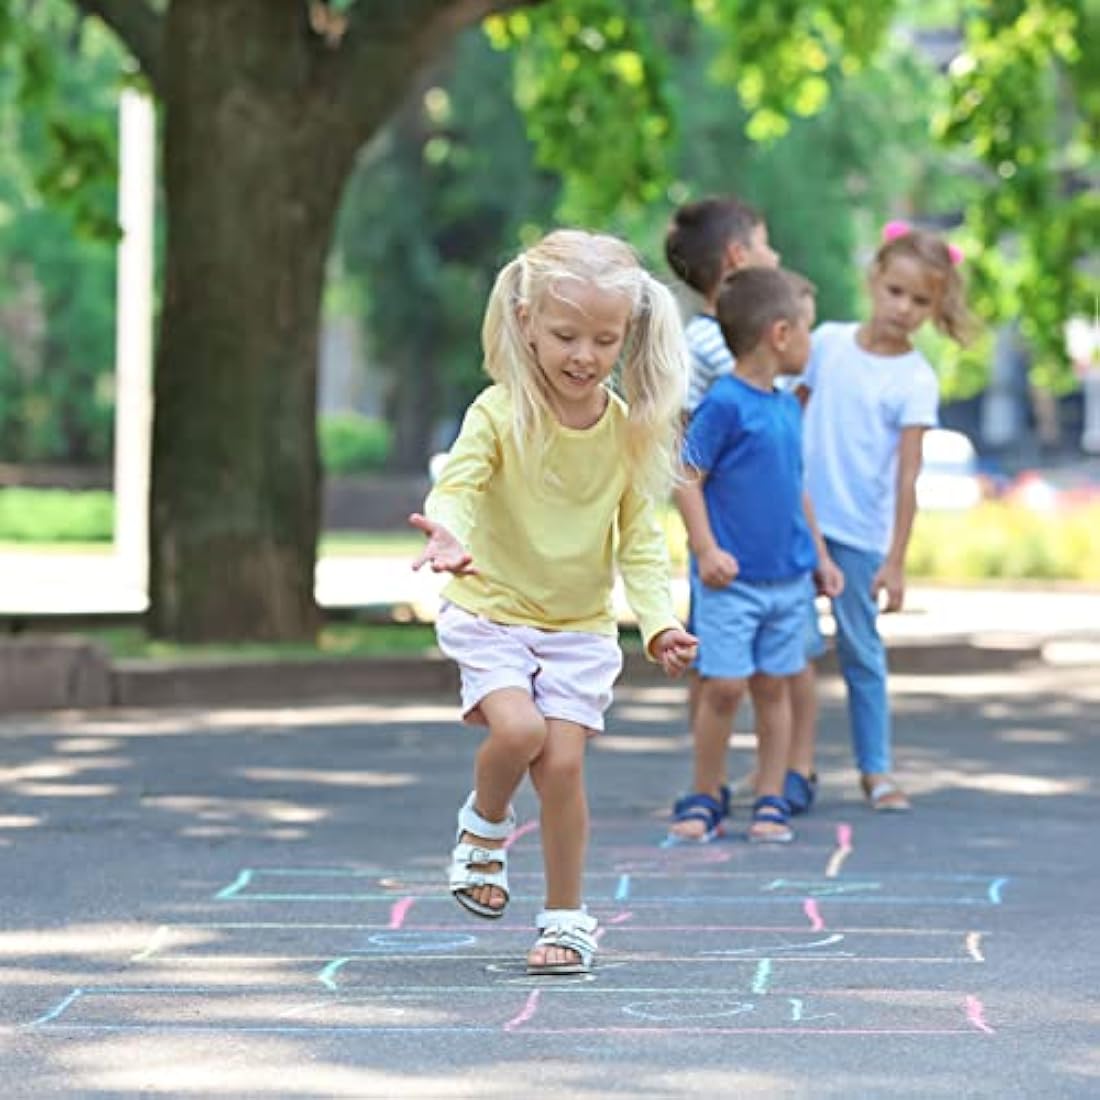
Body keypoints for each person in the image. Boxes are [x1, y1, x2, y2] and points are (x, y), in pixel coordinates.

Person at [409, 229, 698, 975]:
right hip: (492, 607)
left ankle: (566, 919)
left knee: (563, 764)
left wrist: (660, 622)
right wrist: (448, 532)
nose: (585, 356)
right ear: (528, 322)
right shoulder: (499, 412)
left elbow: (638, 538)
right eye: (566, 335)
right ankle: (483, 828)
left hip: (578, 626)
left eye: (605, 340)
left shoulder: (628, 431)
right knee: (518, 731)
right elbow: (464, 485)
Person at [797, 221, 976, 811]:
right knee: (786, 652)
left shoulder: (915, 378)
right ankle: (786, 767)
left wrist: (895, 561)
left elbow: (907, 476)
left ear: (935, 307)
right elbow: (785, 418)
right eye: (896, 292)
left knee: (860, 652)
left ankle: (876, 770)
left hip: (858, 535)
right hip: (798, 524)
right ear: (874, 280)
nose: (904, 309)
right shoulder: (824, 343)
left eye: (920, 301)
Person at [668, 267, 843, 843]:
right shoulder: (724, 403)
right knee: (723, 687)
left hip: (788, 580)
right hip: (730, 582)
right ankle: (704, 792)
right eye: (808, 332)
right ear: (780, 333)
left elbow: (795, 490)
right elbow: (685, 475)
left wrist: (820, 557)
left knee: (776, 685)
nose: (811, 345)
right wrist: (706, 549)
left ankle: (771, 796)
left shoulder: (788, 407)